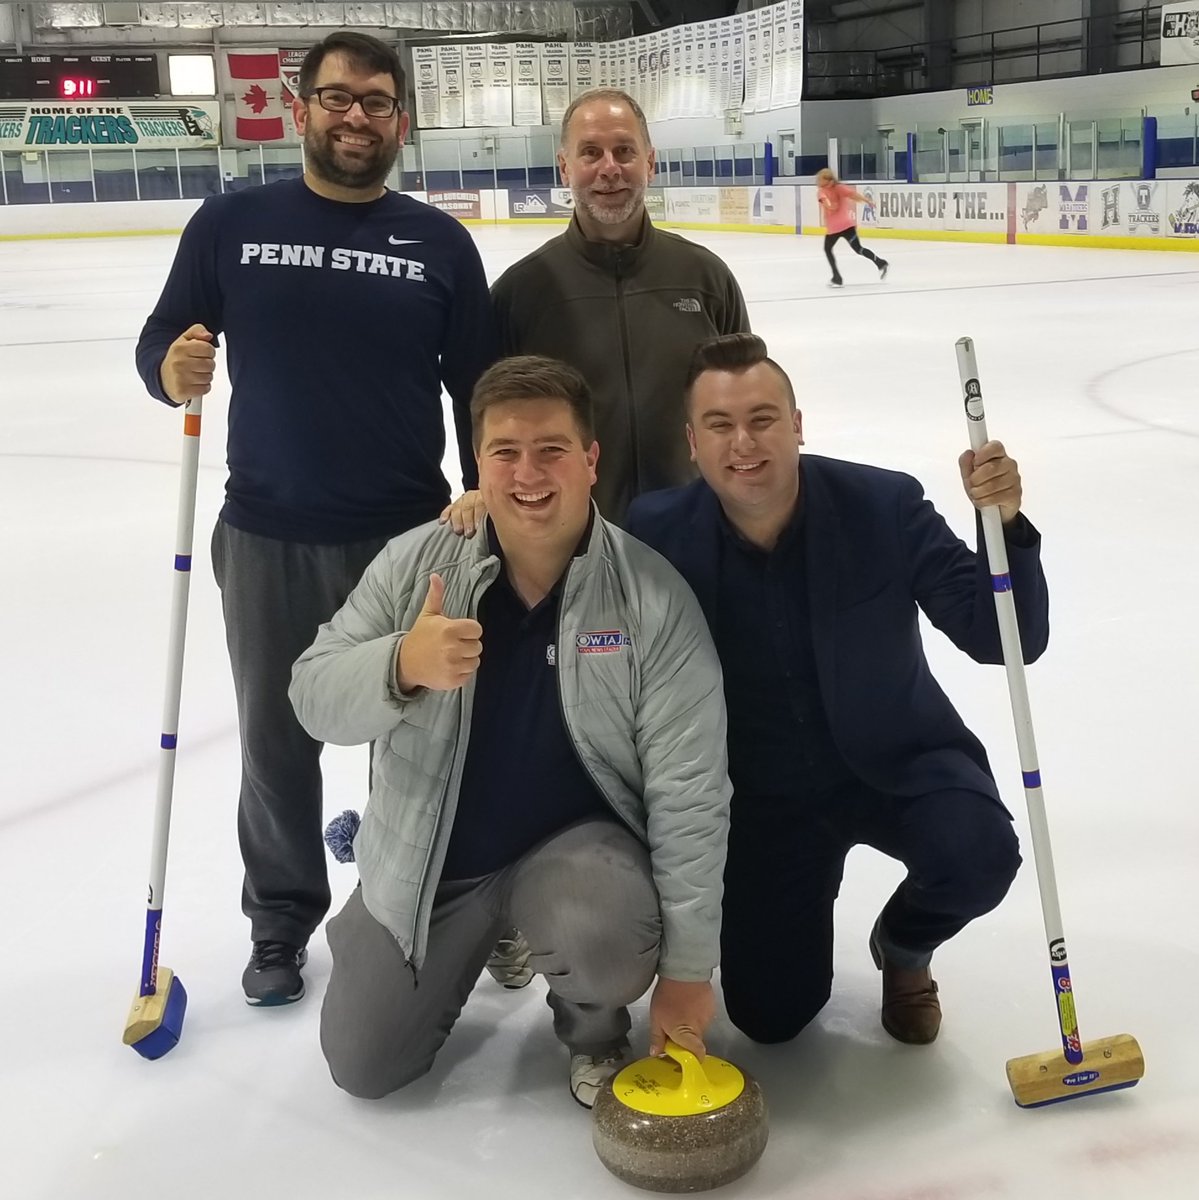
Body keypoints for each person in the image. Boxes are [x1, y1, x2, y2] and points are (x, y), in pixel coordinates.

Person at [135, 30, 497, 1007]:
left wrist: (486, 493)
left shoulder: (438, 245)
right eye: (337, 97)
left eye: (376, 101)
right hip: (267, 536)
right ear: (301, 109)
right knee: (276, 742)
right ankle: (282, 918)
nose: (355, 116)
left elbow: (479, 395)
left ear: (400, 121)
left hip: (408, 541)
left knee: (415, 735)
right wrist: (170, 369)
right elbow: (160, 339)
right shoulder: (230, 224)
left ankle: (402, 900)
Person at [288, 356, 731, 1106]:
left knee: (601, 935)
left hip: (576, 861)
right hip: (437, 864)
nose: (529, 472)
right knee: (364, 1066)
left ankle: (592, 1029)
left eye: (552, 449)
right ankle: (449, 927)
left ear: (591, 460)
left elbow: (690, 795)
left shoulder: (650, 597)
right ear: (477, 465)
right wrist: (400, 664)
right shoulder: (414, 566)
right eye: (505, 452)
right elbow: (310, 696)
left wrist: (687, 972)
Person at [627, 333, 1049, 1047]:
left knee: (976, 854)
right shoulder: (655, 532)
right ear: (692, 444)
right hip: (760, 798)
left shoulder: (882, 504)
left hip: (897, 763)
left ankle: (904, 949)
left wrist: (1002, 523)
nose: (744, 444)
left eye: (762, 419)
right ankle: (800, 907)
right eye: (721, 426)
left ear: (796, 425)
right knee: (770, 1018)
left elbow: (1004, 636)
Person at [445, 87, 750, 532]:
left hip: (695, 530)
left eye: (624, 151)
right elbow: (487, 415)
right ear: (565, 166)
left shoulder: (705, 277)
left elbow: (740, 400)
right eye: (590, 152)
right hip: (567, 539)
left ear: (650, 161)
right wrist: (479, 489)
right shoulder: (521, 292)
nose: (609, 169)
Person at [815, 166, 888, 287]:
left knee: (828, 249)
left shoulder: (822, 190)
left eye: (819, 179)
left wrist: (830, 207)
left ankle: (837, 277)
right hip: (848, 226)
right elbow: (854, 195)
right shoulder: (839, 187)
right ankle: (880, 262)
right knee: (858, 249)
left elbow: (825, 201)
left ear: (826, 180)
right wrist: (868, 201)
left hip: (834, 228)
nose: (817, 182)